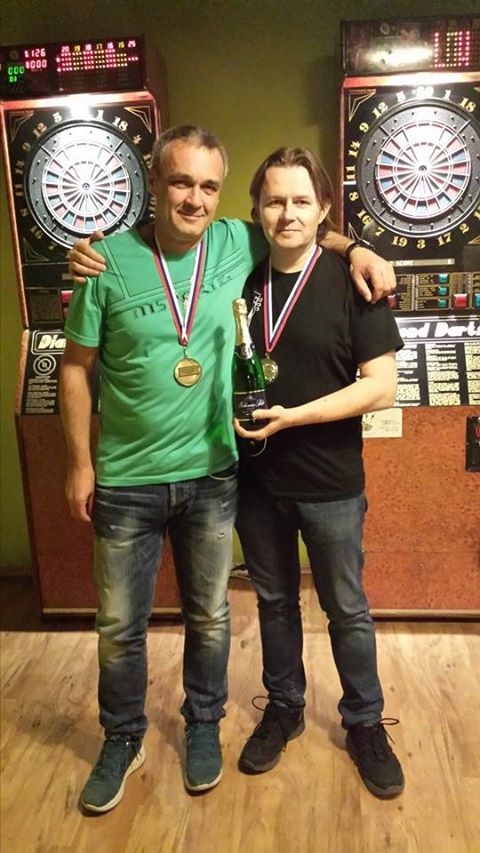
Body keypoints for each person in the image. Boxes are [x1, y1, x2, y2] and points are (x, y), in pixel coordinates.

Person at [61, 125, 396, 814]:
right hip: (188, 479)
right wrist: (79, 463)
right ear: (156, 183)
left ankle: (313, 723)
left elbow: (377, 378)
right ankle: (186, 726)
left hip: (270, 477)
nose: (195, 197)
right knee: (178, 618)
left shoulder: (296, 261)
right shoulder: (165, 259)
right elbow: (77, 366)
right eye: (182, 182)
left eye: (208, 185)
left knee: (285, 612)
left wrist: (358, 246)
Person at [234, 147, 405, 800]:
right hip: (255, 484)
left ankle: (364, 720)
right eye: (274, 200)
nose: (287, 213)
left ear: (324, 208)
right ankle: (284, 708)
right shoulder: (237, 276)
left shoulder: (353, 280)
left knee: (347, 609)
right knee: (274, 603)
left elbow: (381, 386)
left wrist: (294, 417)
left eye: (301, 200)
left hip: (331, 482)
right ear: (256, 209)